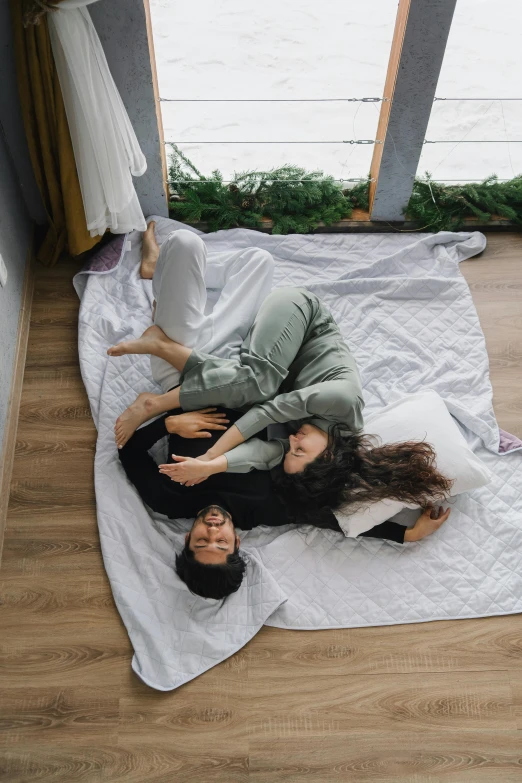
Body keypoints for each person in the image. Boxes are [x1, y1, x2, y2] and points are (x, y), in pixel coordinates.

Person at [107, 223, 452, 512]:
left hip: (232, 356)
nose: (292, 440)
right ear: (330, 453)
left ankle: (158, 272)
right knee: (261, 386)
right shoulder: (343, 403)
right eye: (300, 449)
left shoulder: (309, 451)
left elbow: (264, 454)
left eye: (294, 449)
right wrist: (199, 444)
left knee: (254, 259)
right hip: (287, 325)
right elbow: (268, 409)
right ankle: (158, 374)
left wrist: (209, 465)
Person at [118, 405, 451, 599]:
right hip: (264, 400)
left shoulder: (167, 498)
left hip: (199, 394)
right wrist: (405, 536)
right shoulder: (267, 508)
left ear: (187, 539)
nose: (213, 529)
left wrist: (168, 424)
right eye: (220, 543)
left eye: (202, 540)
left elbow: (128, 449)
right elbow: (332, 521)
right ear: (236, 542)